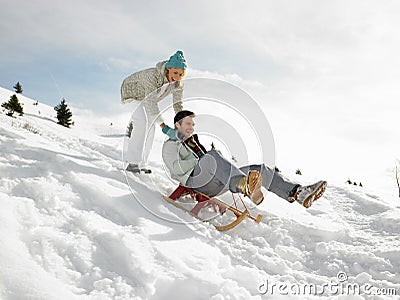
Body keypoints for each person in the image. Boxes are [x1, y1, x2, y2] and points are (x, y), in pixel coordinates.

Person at [162, 110, 327, 208]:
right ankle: (244, 184)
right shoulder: (170, 145)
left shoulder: (193, 143)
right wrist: (203, 161)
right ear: (177, 125)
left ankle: (297, 193)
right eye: (188, 124)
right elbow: (176, 170)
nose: (191, 127)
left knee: (259, 169)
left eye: (193, 125)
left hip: (216, 182)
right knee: (212, 155)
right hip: (196, 184)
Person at [121, 50, 187, 173]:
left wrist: (182, 123)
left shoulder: (177, 84)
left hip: (147, 99)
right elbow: (151, 103)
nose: (177, 77)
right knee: (142, 122)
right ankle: (133, 163)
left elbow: (177, 105)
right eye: (175, 72)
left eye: (180, 74)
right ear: (168, 69)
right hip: (131, 94)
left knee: (151, 126)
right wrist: (165, 127)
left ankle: (142, 164)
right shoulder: (153, 76)